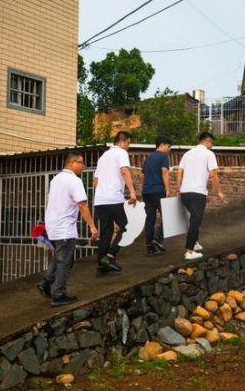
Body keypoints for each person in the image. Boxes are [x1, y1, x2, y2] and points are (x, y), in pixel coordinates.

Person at [38, 153, 98, 306]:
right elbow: (83, 205)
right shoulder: (74, 181)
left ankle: (46, 283)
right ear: (72, 163)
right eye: (81, 162)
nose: (83, 166)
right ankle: (59, 294)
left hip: (52, 226)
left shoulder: (56, 179)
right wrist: (91, 226)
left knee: (61, 257)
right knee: (65, 261)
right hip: (64, 227)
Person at [93, 131, 137, 276]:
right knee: (127, 226)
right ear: (122, 142)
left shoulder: (103, 157)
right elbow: (124, 171)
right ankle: (111, 256)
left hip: (100, 200)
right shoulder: (121, 153)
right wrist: (132, 191)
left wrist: (101, 193)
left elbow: (96, 181)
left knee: (106, 232)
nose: (128, 147)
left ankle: (101, 266)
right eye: (128, 143)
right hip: (113, 198)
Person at [176, 132, 225, 260]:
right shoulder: (209, 154)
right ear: (207, 141)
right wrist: (218, 191)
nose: (212, 146)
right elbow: (213, 174)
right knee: (195, 221)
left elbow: (179, 172)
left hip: (185, 193)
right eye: (212, 143)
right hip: (198, 193)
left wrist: (179, 188)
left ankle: (195, 243)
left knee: (194, 219)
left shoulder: (187, 154)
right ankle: (189, 251)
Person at [141, 136, 172, 255]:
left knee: (150, 218)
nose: (169, 149)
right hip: (158, 190)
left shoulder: (148, 158)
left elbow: (143, 176)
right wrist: (168, 189)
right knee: (168, 215)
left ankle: (150, 247)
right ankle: (158, 239)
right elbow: (164, 171)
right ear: (163, 144)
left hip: (146, 192)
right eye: (169, 146)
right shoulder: (163, 156)